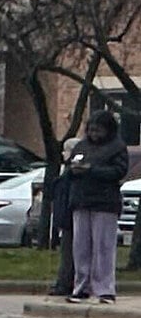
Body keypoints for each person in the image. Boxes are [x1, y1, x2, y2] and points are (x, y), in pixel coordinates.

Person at [67, 110, 128, 305]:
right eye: (91, 130)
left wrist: (91, 170)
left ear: (108, 130)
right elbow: (70, 167)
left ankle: (105, 289)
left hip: (105, 203)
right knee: (81, 247)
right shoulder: (81, 146)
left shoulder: (117, 148)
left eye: (98, 130)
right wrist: (74, 169)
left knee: (103, 247)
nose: (94, 134)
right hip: (81, 201)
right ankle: (81, 287)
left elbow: (119, 171)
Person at [48, 137, 80, 296]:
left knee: (69, 253)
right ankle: (65, 281)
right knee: (67, 252)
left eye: (66, 150)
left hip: (69, 217)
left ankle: (65, 283)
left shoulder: (71, 173)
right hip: (66, 217)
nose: (63, 153)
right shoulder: (67, 171)